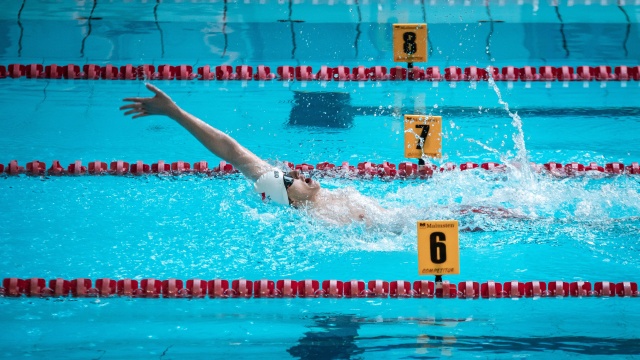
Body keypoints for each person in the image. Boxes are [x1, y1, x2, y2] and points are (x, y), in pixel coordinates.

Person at [120, 83, 387, 226]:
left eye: (287, 173)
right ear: (291, 201)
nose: (294, 172)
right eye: (287, 179)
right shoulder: (323, 221)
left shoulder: (328, 199)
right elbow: (229, 151)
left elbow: (235, 153)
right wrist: (174, 113)